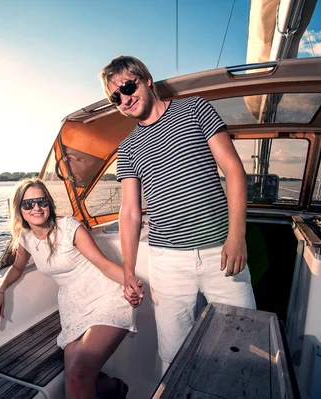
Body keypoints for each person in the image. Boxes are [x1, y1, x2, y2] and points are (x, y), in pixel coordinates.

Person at [99, 55, 257, 371]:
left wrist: (236, 234)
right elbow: (130, 212)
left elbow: (233, 168)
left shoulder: (195, 109)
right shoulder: (127, 147)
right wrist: (128, 271)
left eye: (128, 87)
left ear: (146, 79)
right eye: (116, 97)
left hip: (220, 254)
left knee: (244, 343)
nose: (125, 99)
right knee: (173, 354)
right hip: (167, 263)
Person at [0, 178, 138, 399]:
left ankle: (114, 388)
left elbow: (102, 264)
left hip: (105, 296)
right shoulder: (25, 238)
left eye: (41, 201)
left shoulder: (69, 227)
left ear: (49, 203)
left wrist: (129, 282)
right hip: (73, 307)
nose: (36, 208)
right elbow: (17, 268)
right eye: (28, 204)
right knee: (73, 378)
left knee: (77, 374)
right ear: (19, 209)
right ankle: (114, 388)